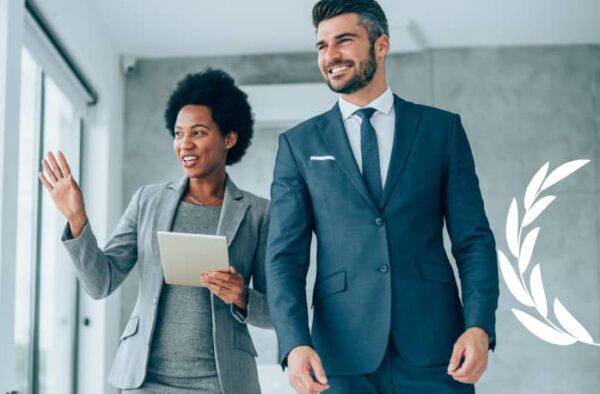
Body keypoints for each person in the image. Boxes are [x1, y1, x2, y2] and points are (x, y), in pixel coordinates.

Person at [265, 0, 499, 393]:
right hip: (338, 356)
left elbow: (473, 239)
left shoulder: (441, 131)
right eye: (322, 46)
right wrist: (294, 343)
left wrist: (478, 326)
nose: (331, 55)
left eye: (344, 40)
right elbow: (284, 257)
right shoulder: (298, 144)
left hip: (437, 349)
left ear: (381, 45)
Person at [38, 69, 271, 393]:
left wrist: (242, 296)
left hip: (221, 382)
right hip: (145, 379)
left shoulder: (259, 213)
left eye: (199, 132)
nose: (184, 144)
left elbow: (277, 311)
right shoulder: (148, 200)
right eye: (178, 133)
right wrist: (77, 219)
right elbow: (100, 282)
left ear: (229, 138)